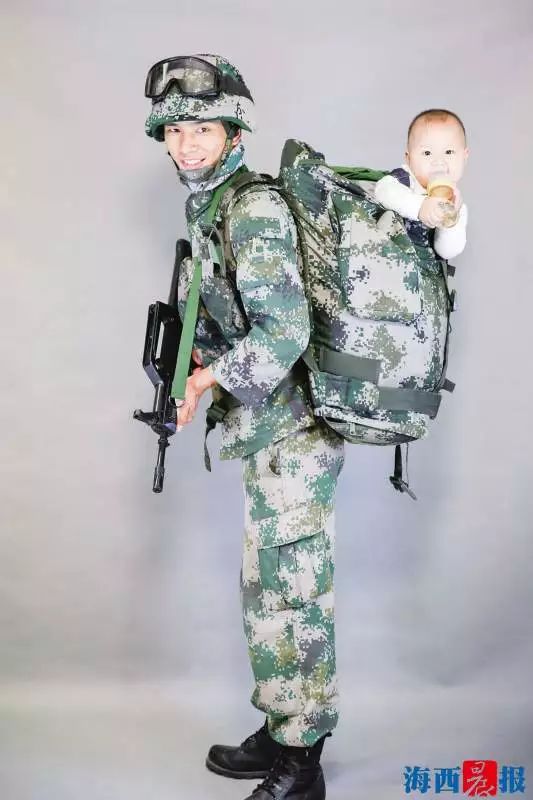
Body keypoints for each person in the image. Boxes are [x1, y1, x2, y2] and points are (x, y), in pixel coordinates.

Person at [144, 54, 344, 800]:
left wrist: (205, 381)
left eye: (203, 127)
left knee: (294, 596)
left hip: (294, 432)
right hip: (266, 429)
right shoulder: (211, 206)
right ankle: (281, 728)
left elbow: (285, 330)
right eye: (175, 130)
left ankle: (303, 761)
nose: (187, 143)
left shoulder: (251, 208)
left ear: (234, 134)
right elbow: (234, 316)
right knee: (267, 591)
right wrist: (193, 370)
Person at [374, 108, 469, 260]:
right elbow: (382, 191)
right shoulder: (405, 179)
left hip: (419, 271)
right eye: (427, 153)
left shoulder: (456, 204)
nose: (439, 161)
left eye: (449, 152)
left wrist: (450, 223)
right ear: (409, 158)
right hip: (385, 259)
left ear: (464, 157)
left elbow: (447, 252)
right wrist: (420, 206)